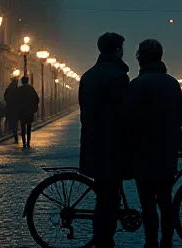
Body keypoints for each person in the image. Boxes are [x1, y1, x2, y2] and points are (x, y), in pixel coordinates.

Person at [124, 39, 182, 248]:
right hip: (167, 152)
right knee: (166, 201)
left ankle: (151, 242)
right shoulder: (173, 83)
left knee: (148, 203)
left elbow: (129, 119)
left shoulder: (137, 84)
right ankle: (167, 242)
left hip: (143, 153)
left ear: (141, 58)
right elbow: (178, 119)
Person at [79, 32, 130, 248]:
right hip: (113, 144)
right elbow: (123, 113)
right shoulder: (118, 76)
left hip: (93, 142)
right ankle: (104, 240)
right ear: (118, 50)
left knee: (105, 194)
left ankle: (103, 237)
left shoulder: (88, 75)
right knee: (108, 198)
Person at [16, 76, 39, 148]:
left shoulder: (19, 90)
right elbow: (37, 99)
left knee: (22, 127)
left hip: (22, 111)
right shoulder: (31, 89)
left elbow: (15, 100)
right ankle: (28, 142)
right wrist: (34, 107)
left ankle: (24, 143)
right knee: (29, 127)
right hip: (29, 111)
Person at [4, 77, 19, 144]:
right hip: (14, 108)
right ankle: (14, 133)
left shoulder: (8, 88)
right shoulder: (16, 89)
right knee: (14, 122)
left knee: (9, 120)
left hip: (9, 107)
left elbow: (5, 97)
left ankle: (7, 131)